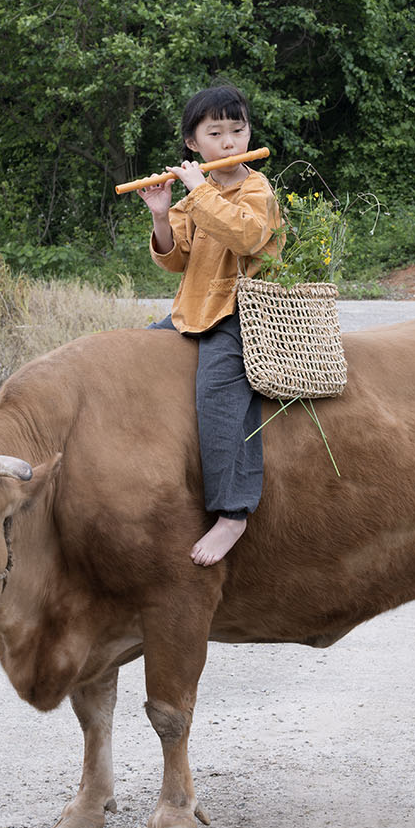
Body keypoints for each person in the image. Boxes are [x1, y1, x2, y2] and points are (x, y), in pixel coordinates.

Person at [139, 82, 285, 565]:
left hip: (240, 313)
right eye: (215, 133)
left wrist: (199, 191)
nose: (228, 142)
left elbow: (247, 237)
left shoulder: (256, 189)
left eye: (237, 131)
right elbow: (174, 259)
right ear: (192, 143)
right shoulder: (193, 196)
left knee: (218, 397)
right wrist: (162, 216)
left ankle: (232, 512)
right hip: (192, 310)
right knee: (131, 358)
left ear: (248, 134)